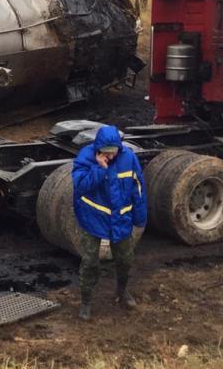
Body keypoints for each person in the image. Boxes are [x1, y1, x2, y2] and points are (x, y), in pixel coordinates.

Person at [71, 124, 146, 321]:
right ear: (98, 149)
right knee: (89, 262)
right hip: (93, 219)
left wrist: (140, 218)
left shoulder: (129, 158)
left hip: (120, 220)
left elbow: (138, 188)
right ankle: (86, 301)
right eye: (106, 153)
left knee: (125, 259)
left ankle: (122, 291)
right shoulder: (85, 158)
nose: (110, 157)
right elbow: (80, 186)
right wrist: (99, 168)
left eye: (113, 153)